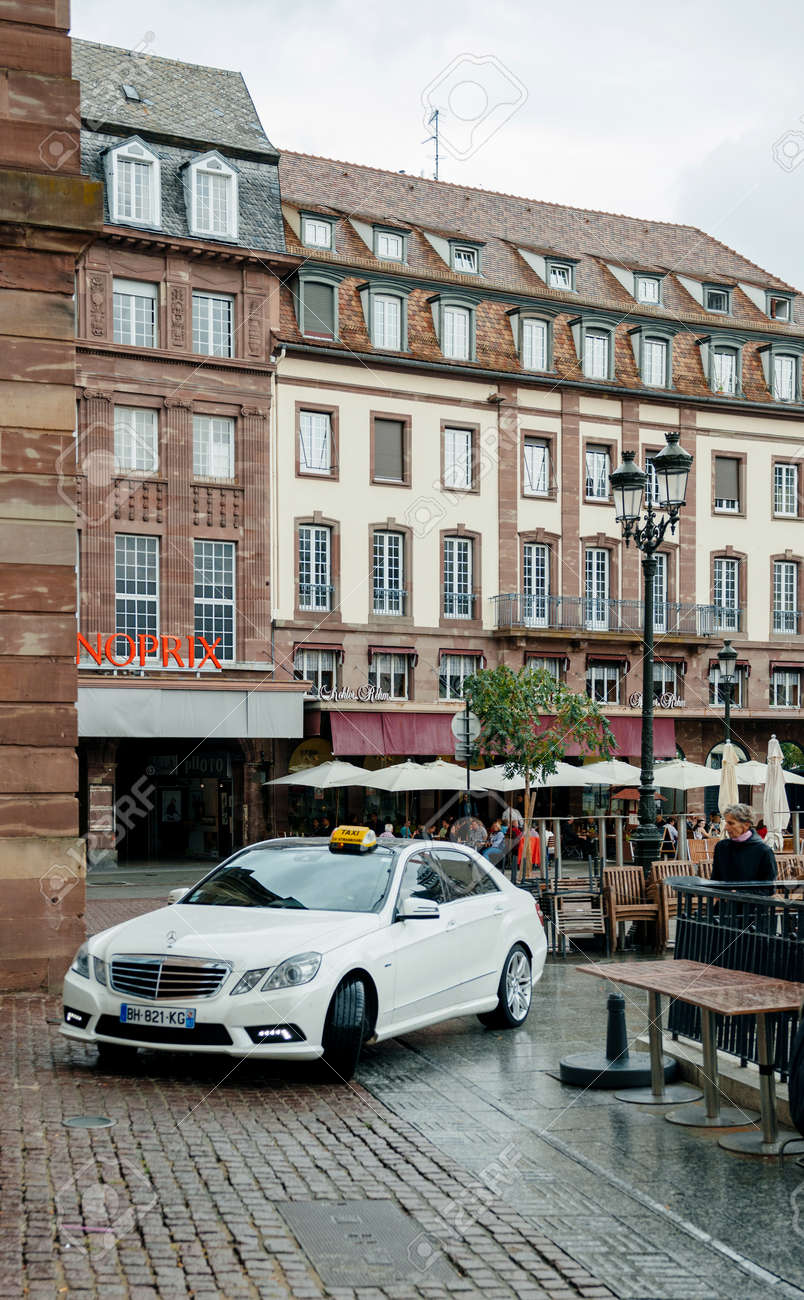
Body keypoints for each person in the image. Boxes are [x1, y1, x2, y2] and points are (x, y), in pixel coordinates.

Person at [711, 803, 776, 891]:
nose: (726, 827)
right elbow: (715, 880)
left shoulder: (763, 851)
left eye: (731, 823)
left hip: (752, 903)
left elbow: (769, 888)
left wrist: (738, 894)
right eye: (726, 823)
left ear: (746, 825)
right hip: (724, 903)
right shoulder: (721, 847)